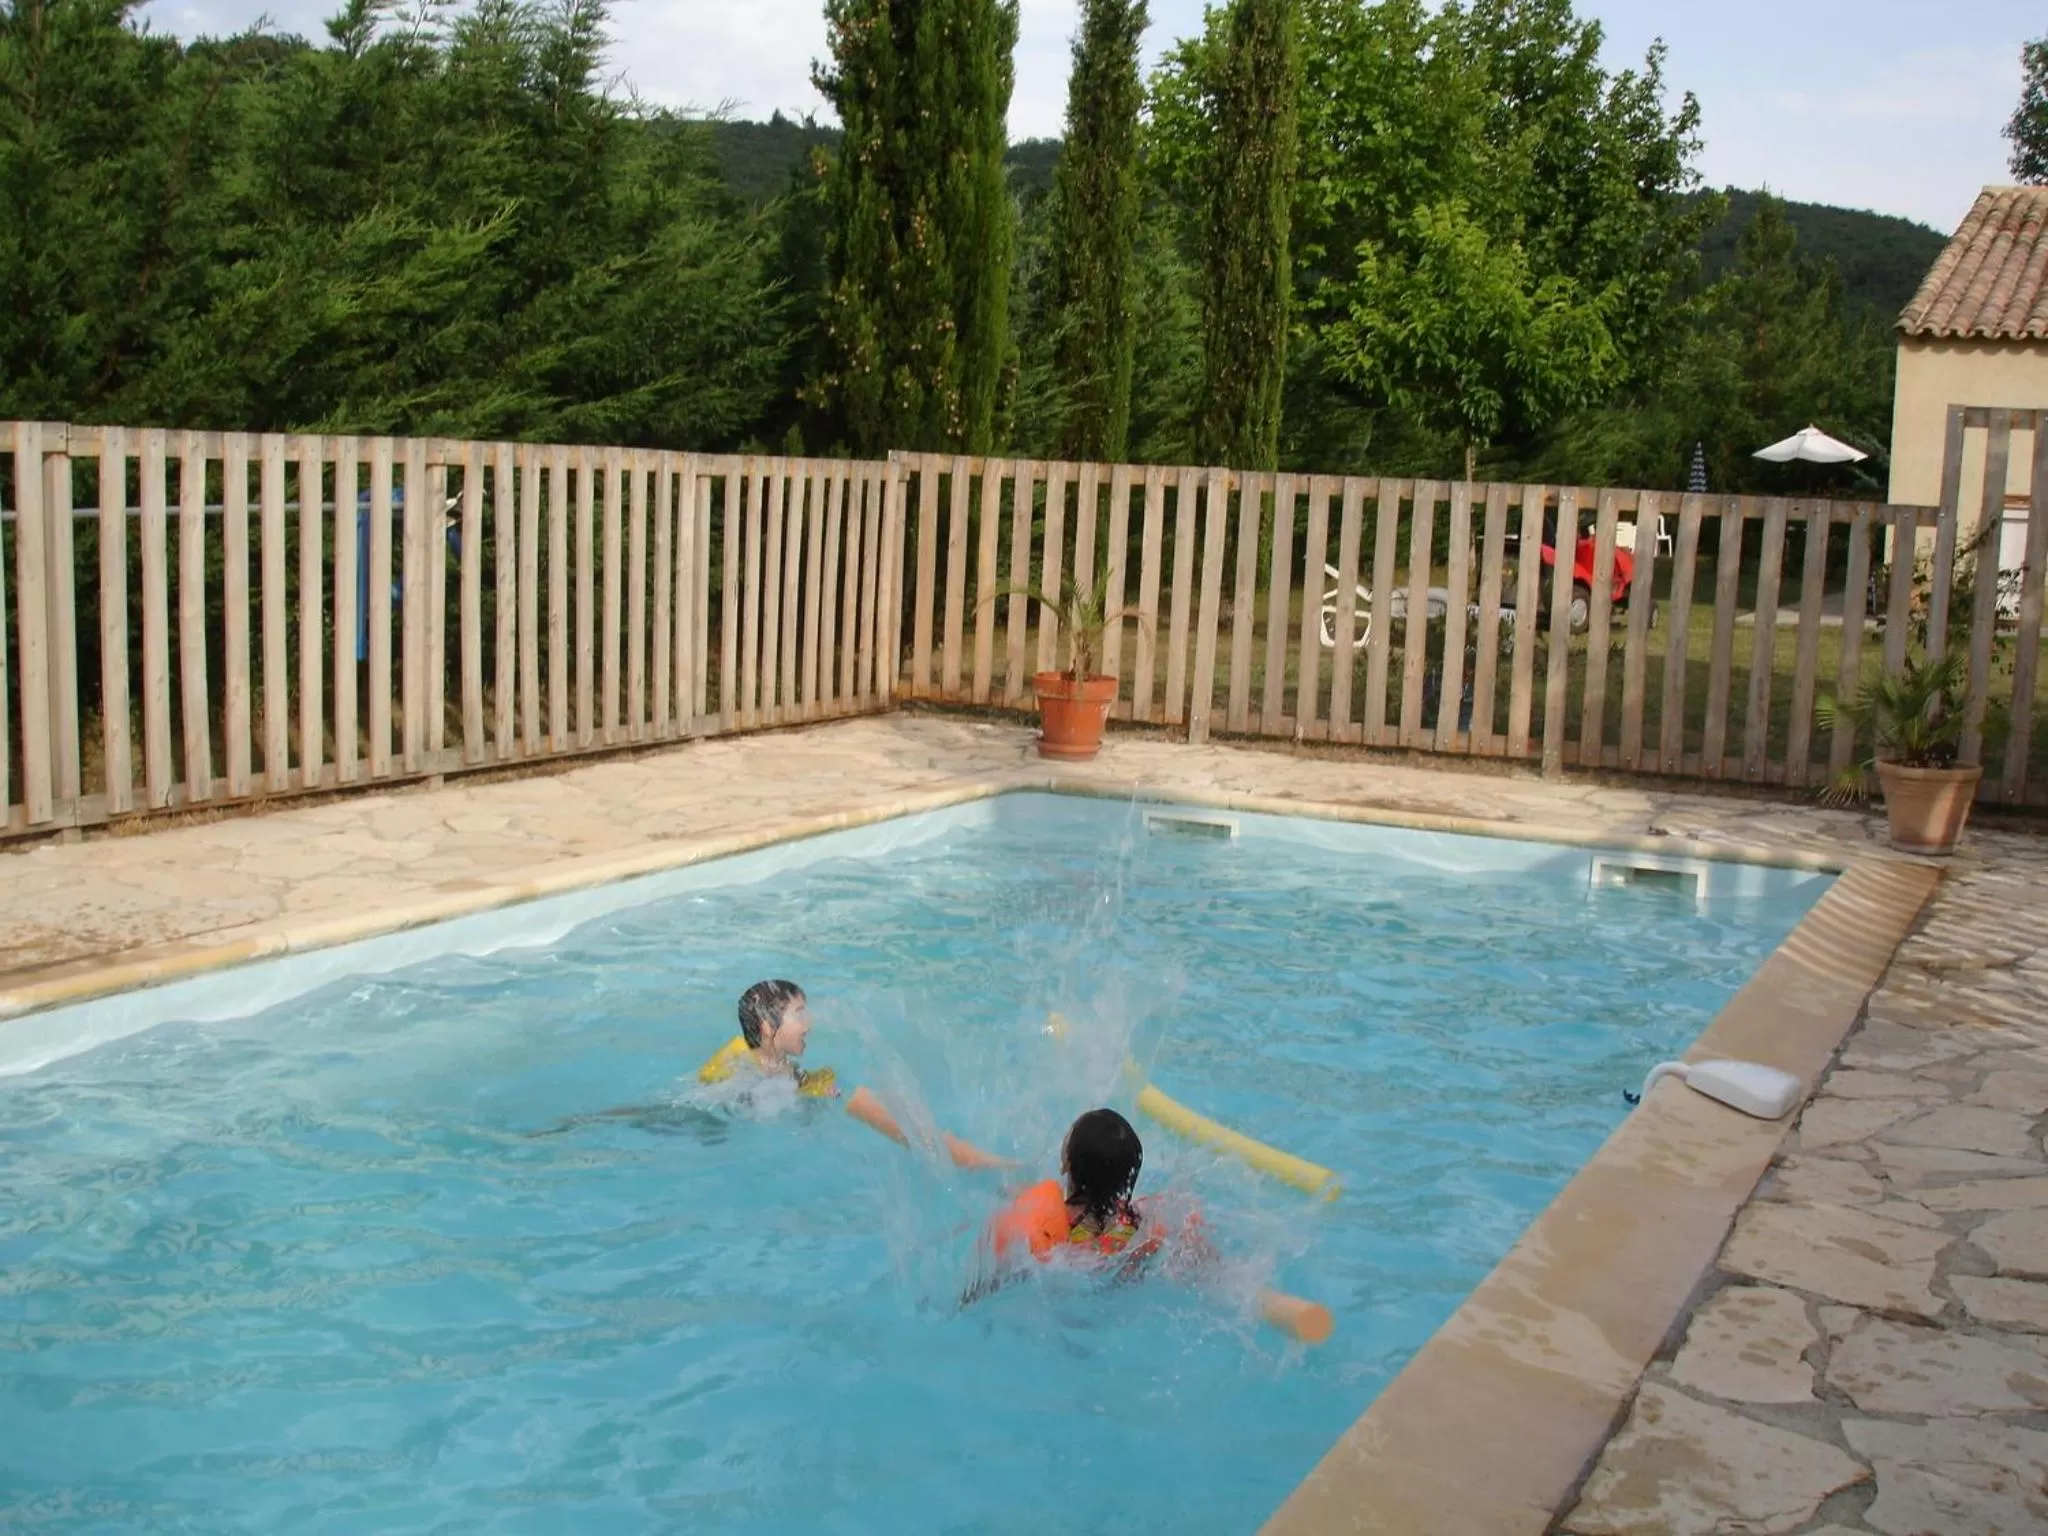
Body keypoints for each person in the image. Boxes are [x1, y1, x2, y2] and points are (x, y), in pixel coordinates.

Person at [982, 1107, 1334, 1344]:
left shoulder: (1052, 1225)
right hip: (1126, 1286)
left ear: (1067, 1164)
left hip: (1070, 1298)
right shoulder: (1139, 1221)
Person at [699, 979, 838, 1099]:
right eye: (799, 1015)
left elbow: (811, 1085)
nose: (809, 1024)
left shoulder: (789, 1069)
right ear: (769, 1027)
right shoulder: (739, 1069)